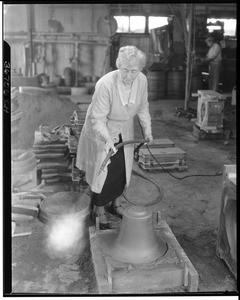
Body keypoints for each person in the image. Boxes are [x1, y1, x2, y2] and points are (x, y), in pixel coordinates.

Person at [76, 45, 153, 229]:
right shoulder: (105, 84)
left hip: (124, 129)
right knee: (102, 171)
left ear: (140, 70)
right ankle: (99, 208)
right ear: (118, 66)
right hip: (102, 129)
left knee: (122, 168)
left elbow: (143, 108)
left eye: (133, 71)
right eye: (124, 70)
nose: (128, 75)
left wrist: (147, 131)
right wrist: (108, 139)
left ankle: (116, 203)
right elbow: (98, 119)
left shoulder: (142, 81)